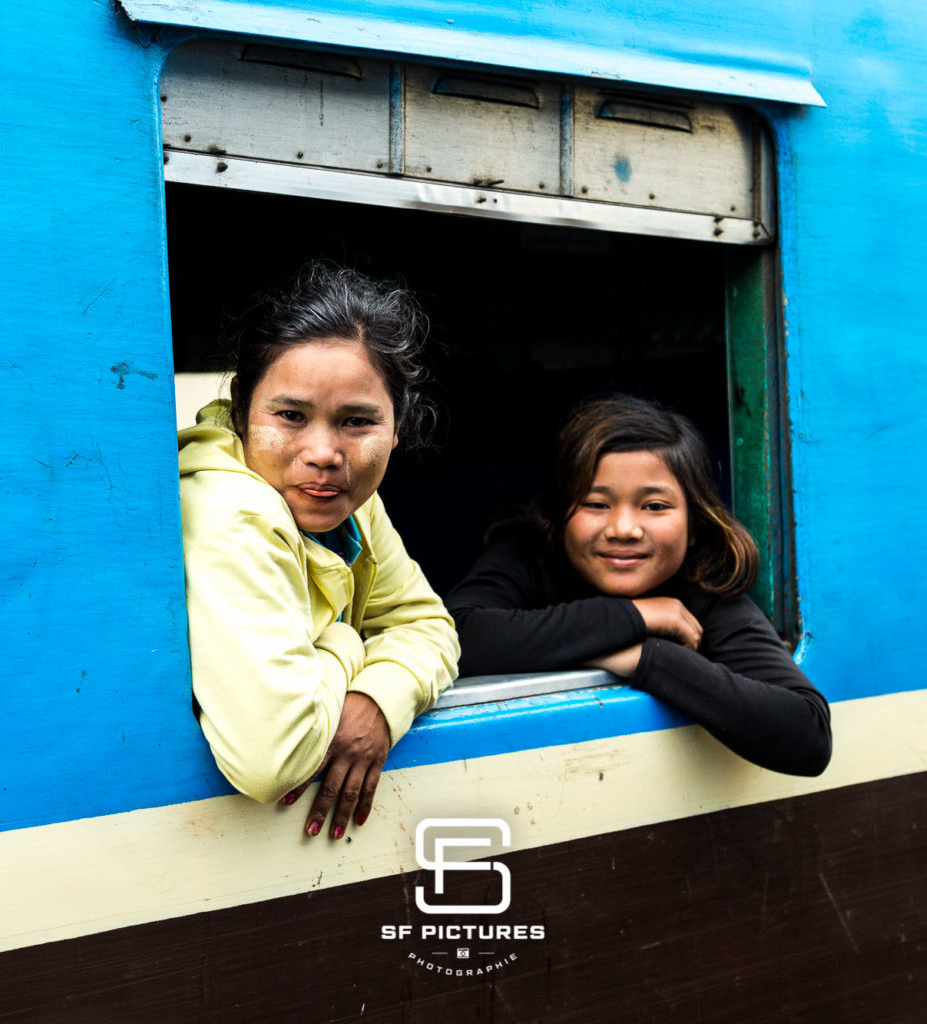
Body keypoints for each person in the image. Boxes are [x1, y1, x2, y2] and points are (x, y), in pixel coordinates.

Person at [179, 263, 459, 840]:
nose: (324, 452)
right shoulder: (230, 514)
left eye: (357, 422)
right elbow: (273, 760)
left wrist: (380, 697)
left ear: (398, 424)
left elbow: (428, 624)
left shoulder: (346, 498)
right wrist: (347, 639)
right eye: (290, 416)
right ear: (240, 411)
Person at [446, 394, 831, 776]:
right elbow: (458, 636)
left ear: (695, 525)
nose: (624, 529)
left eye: (654, 506)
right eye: (596, 504)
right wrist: (632, 617)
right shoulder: (527, 555)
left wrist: (647, 657)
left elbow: (807, 735)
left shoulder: (704, 593)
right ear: (558, 516)